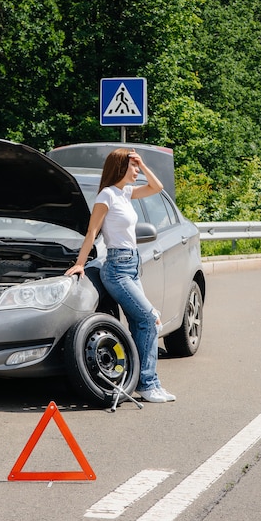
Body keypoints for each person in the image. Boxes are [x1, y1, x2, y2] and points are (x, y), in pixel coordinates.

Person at [65, 148, 176, 403]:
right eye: (133, 166)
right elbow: (92, 232)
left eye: (137, 166)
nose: (137, 170)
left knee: (140, 323)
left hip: (133, 266)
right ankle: (147, 384)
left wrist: (143, 163)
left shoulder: (125, 193)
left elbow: (157, 187)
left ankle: (147, 382)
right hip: (117, 269)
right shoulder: (106, 196)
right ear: (120, 167)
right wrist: (80, 263)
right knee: (149, 318)